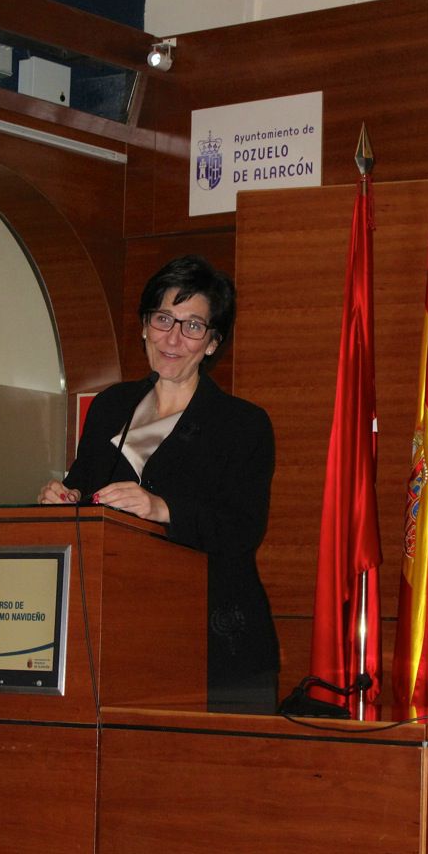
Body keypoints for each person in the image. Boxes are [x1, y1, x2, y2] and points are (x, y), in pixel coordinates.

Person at [38, 255, 278, 713]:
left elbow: (243, 529)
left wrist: (162, 508)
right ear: (144, 327)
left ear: (212, 343)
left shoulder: (242, 424)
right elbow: (83, 488)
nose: (173, 337)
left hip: (214, 642)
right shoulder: (112, 406)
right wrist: (62, 498)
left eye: (193, 326)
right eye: (163, 319)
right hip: (119, 636)